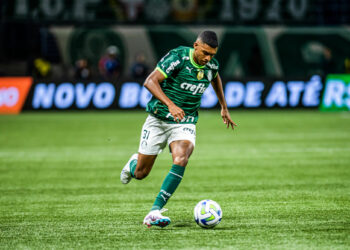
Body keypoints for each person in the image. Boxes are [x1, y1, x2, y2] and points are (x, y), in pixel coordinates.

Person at [120, 31, 237, 228]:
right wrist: (171, 105)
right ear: (196, 46)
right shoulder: (179, 57)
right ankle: (134, 164)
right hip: (158, 118)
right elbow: (150, 81)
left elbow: (215, 78)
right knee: (141, 173)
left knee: (182, 157)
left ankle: (154, 211)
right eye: (205, 53)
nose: (208, 58)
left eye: (212, 55)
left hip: (185, 120)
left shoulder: (211, 65)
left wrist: (223, 107)